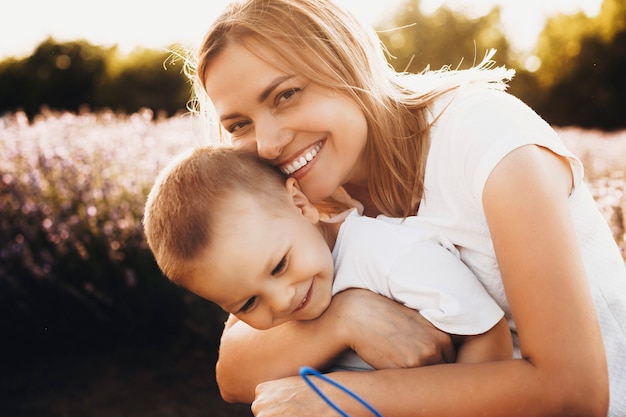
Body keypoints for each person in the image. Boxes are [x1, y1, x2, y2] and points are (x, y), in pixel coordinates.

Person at [190, 0, 626, 415]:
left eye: (285, 95)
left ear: (345, 58)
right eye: (239, 125)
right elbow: (233, 371)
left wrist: (341, 399)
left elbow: (574, 391)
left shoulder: (486, 140)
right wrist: (346, 318)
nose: (267, 144)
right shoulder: (301, 194)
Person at [143, 145, 513, 369]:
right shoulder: (291, 276)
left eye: (278, 266)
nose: (281, 302)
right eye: (247, 303)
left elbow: (488, 336)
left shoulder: (388, 255)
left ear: (301, 205)